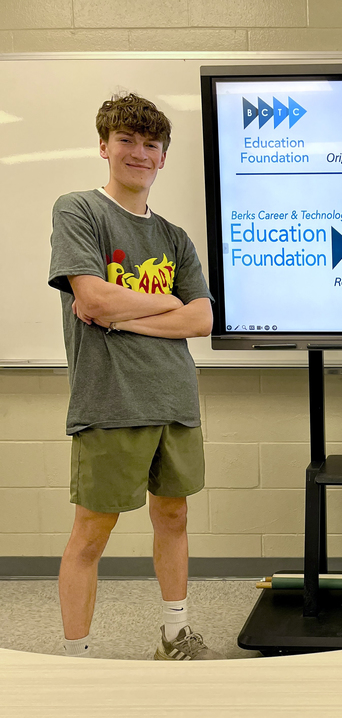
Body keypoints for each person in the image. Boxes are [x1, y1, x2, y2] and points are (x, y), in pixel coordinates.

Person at [48, 92, 222, 660]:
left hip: (174, 399)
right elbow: (92, 297)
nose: (139, 153)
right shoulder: (79, 210)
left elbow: (201, 318)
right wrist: (158, 307)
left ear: (163, 157)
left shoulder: (174, 237)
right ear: (105, 146)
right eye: (126, 140)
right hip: (111, 401)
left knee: (173, 515)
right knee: (91, 533)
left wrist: (128, 318)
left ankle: (175, 634)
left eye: (151, 145)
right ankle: (76, 658)